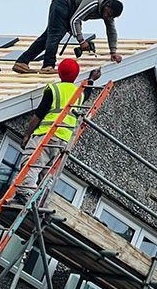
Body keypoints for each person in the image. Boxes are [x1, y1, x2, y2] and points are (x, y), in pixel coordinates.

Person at [15, 59, 101, 203]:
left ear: (59, 73)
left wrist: (27, 134)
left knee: (32, 164)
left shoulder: (54, 89)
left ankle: (24, 194)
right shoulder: (78, 93)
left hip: (47, 134)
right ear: (76, 75)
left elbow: (39, 114)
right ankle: (41, 200)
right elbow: (87, 93)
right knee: (47, 172)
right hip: (64, 140)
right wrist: (91, 79)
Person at [13, 0, 123, 74]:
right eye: (108, 14)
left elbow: (111, 31)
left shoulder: (108, 12)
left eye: (111, 17)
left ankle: (22, 62)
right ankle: (48, 66)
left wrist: (113, 52)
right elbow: (75, 20)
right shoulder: (93, 2)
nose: (107, 17)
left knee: (47, 37)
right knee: (55, 34)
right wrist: (81, 41)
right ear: (107, 5)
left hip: (69, 9)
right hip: (63, 3)